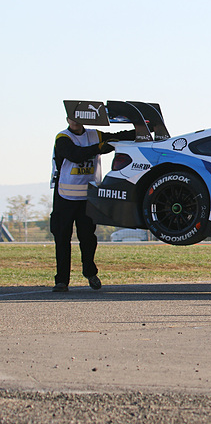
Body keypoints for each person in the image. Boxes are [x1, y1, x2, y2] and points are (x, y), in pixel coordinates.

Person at [50, 114, 133, 292]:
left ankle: (90, 272)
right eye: (71, 118)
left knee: (88, 238)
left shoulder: (94, 134)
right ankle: (61, 281)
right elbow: (75, 155)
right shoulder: (63, 138)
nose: (75, 121)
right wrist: (99, 148)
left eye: (78, 118)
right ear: (66, 120)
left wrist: (141, 132)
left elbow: (118, 137)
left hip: (87, 197)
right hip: (65, 197)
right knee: (62, 238)